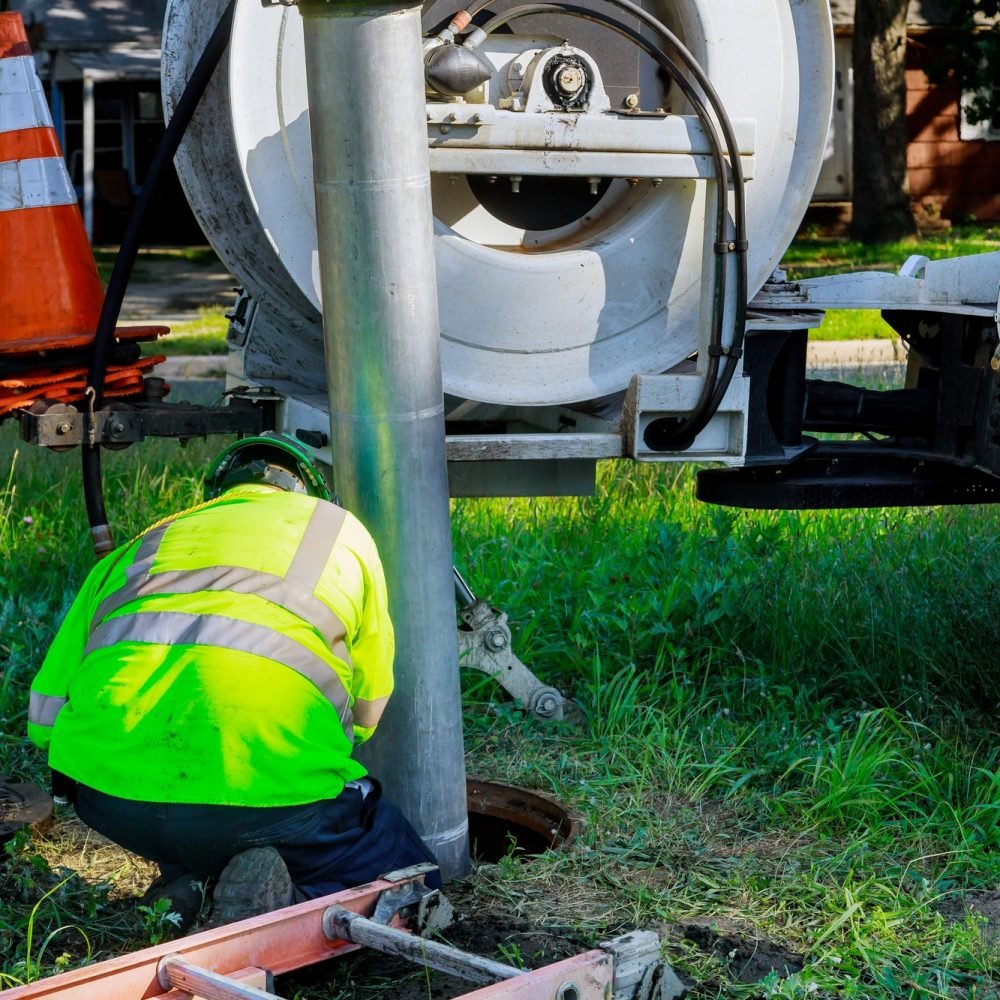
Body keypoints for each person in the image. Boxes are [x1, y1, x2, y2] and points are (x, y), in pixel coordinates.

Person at [27, 432, 439, 929]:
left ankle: (188, 889)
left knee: (200, 824)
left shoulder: (142, 544)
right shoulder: (339, 531)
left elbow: (45, 718)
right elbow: (370, 705)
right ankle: (284, 904)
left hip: (108, 801)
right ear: (309, 491)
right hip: (265, 797)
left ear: (218, 494)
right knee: (415, 873)